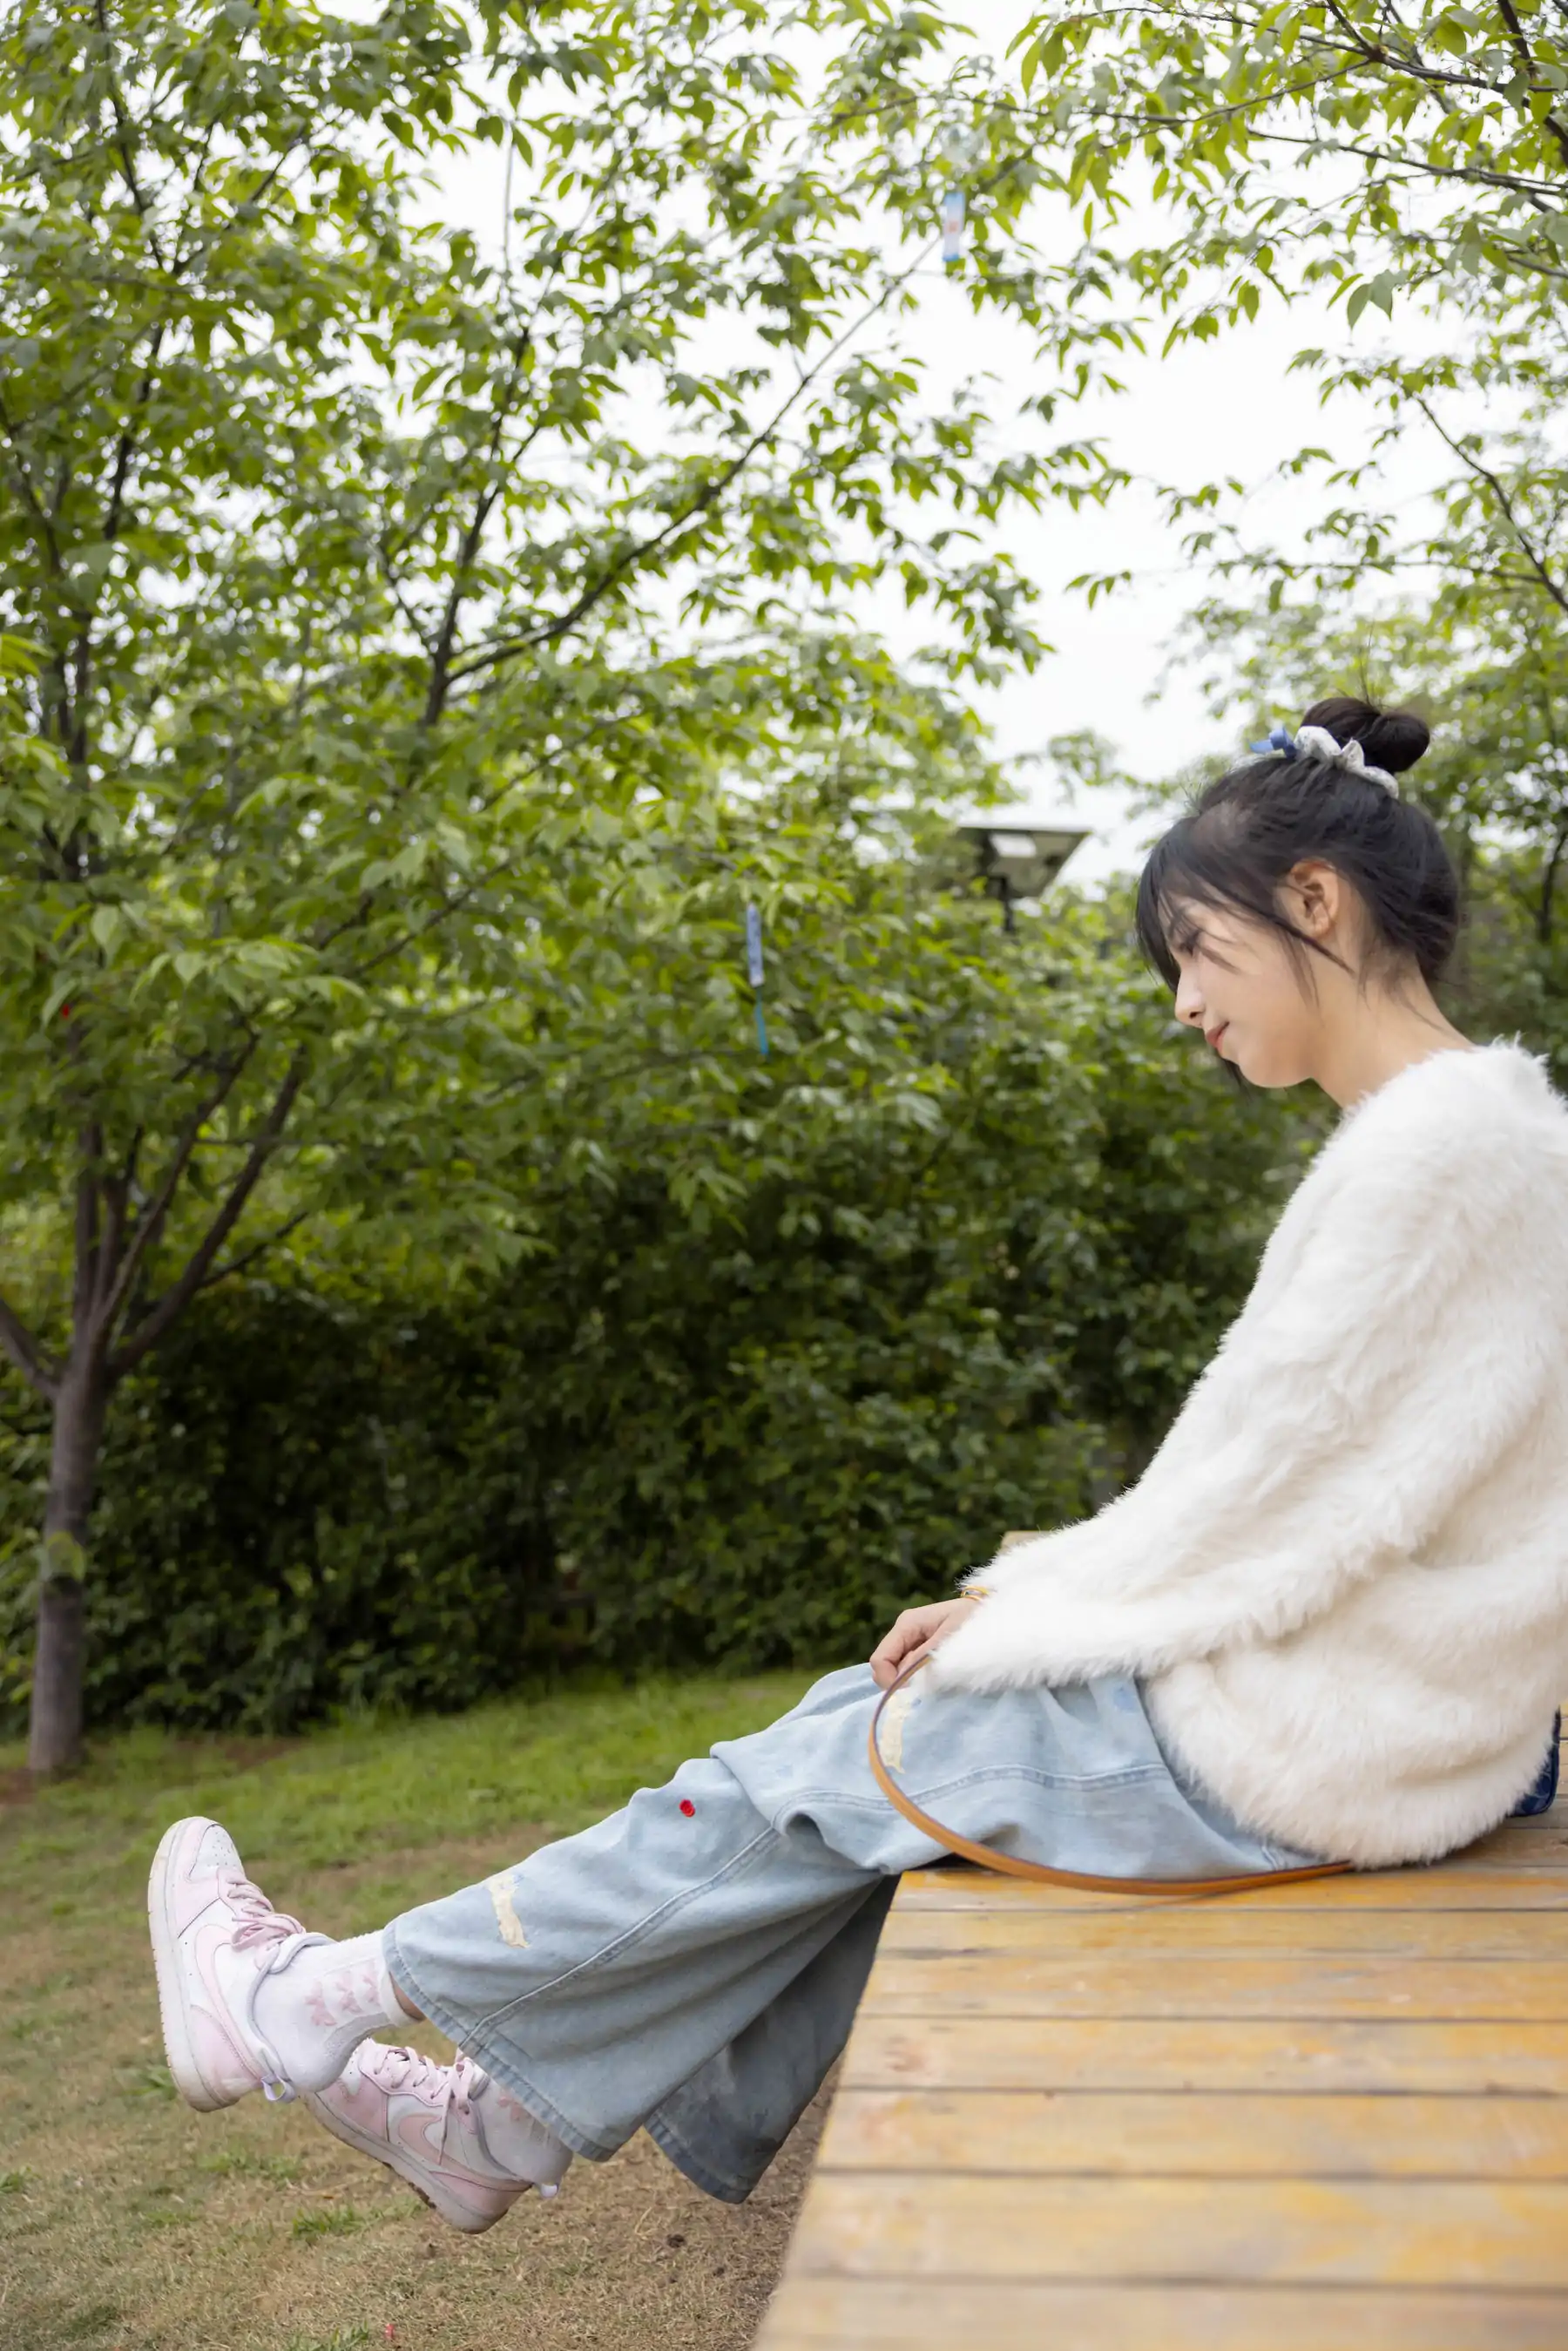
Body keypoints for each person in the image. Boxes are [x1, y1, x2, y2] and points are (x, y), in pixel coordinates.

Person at [147, 695, 1568, 2232]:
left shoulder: (1438, 1150)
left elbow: (1269, 1495)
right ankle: (485, 2125)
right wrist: (1021, 1603)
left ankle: (313, 1998)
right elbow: (1289, 1479)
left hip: (1324, 1744)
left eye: (1197, 952)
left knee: (847, 1762)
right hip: (1387, 1724)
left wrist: (1017, 1612)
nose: (1183, 1003)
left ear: (1316, 901)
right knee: (871, 1752)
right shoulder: (1482, 1132)